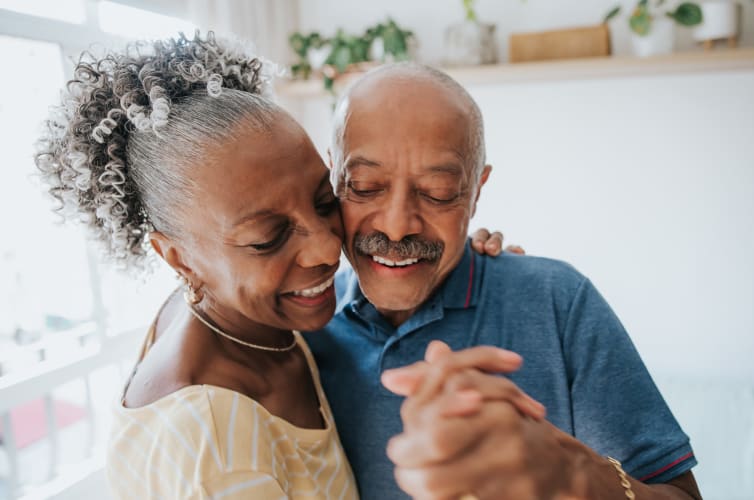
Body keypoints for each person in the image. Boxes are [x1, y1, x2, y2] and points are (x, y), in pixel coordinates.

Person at [34, 33, 534, 499]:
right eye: (267, 238)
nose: (325, 250)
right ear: (178, 257)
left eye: (324, 201)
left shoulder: (250, 315)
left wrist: (449, 249)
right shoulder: (212, 448)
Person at [304, 62, 703, 499]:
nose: (398, 227)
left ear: (476, 191)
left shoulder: (557, 302)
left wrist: (571, 471)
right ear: (333, 176)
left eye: (437, 193)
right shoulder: (302, 332)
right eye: (363, 186)